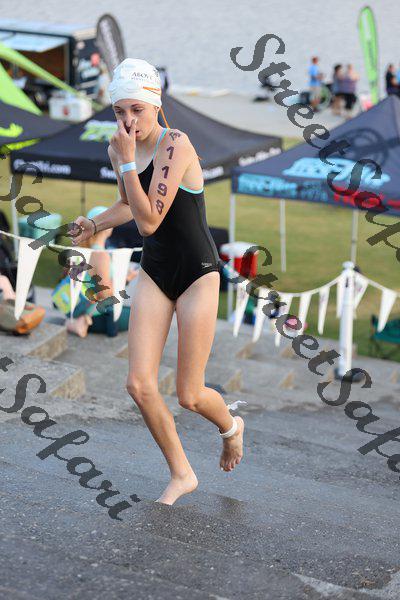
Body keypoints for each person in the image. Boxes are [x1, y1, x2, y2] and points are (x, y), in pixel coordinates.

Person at [69, 58, 245, 506]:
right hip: (156, 270)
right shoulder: (119, 149)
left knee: (190, 394)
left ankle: (231, 427)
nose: (128, 121)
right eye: (119, 111)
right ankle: (182, 473)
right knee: (138, 383)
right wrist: (93, 223)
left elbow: (149, 221)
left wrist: (128, 161)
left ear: (156, 106)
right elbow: (129, 205)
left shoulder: (176, 144)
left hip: (197, 273)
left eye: (137, 110)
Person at [65, 205, 136, 338]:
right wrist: (125, 279)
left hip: (78, 308)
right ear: (107, 226)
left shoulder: (82, 249)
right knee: (139, 314)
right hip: (98, 316)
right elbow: (104, 294)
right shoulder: (101, 255)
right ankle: (81, 322)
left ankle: (75, 321)